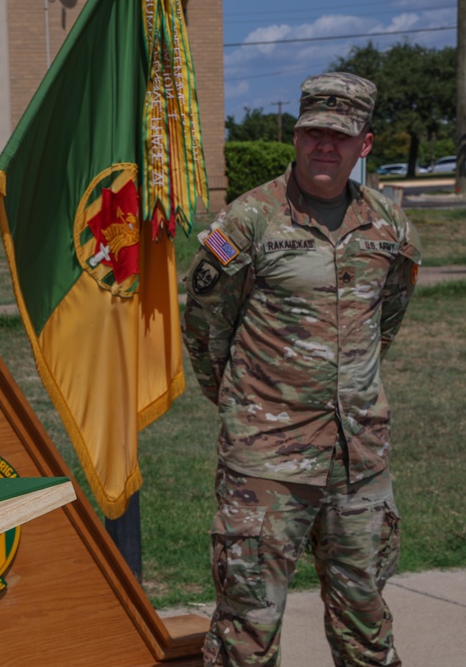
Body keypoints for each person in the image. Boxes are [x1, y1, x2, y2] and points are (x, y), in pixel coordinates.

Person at [182, 72, 421, 667]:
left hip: (359, 460)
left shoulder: (391, 229)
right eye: (314, 131)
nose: (324, 146)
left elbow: (383, 323)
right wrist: (250, 409)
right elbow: (205, 328)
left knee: (367, 625)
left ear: (364, 144)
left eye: (340, 136)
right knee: (247, 630)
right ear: (295, 136)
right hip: (267, 463)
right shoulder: (248, 221)